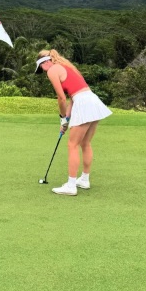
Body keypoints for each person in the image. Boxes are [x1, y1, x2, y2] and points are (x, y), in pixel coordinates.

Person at [35, 49, 112, 196]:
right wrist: (66, 120)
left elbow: (61, 98)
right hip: (91, 101)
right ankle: (84, 179)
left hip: (83, 103)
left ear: (45, 63)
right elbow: (72, 97)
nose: (43, 72)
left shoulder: (52, 70)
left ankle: (71, 185)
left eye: (41, 68)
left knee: (72, 145)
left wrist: (62, 117)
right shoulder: (68, 67)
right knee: (85, 143)